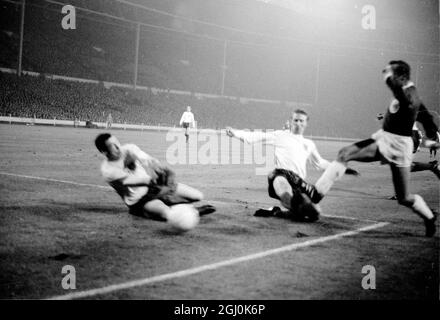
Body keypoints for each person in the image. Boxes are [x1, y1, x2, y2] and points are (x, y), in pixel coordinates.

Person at [311, 61, 438, 237]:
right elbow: (424, 114)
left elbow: (404, 97)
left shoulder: (407, 94)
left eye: (391, 73)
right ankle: (314, 199)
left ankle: (429, 217)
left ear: (401, 77)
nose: (386, 76)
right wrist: (432, 132)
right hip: (385, 138)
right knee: (344, 154)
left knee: (404, 198)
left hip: (399, 147)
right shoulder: (410, 91)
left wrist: (388, 78)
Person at [225, 109, 359, 222]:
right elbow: (257, 136)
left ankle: (281, 212)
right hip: (281, 174)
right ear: (291, 121)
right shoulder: (280, 135)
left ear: (306, 123)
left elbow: (320, 163)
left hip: (299, 182)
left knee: (314, 203)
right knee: (283, 187)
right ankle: (296, 208)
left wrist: (341, 169)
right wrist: (236, 133)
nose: (298, 123)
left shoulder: (309, 144)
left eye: (301, 121)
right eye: (296, 120)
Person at [94, 133, 215, 221]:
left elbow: (146, 159)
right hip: (139, 200)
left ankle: (181, 206)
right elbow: (129, 181)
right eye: (112, 146)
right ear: (104, 152)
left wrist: (158, 168)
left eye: (117, 143)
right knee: (167, 213)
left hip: (155, 188)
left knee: (198, 196)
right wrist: (153, 181)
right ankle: (192, 212)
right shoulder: (108, 170)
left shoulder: (129, 149)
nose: (118, 147)